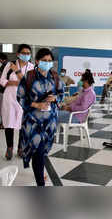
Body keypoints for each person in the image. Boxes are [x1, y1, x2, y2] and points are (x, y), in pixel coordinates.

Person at [17, 48, 64, 186]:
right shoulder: (29, 77)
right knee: (37, 151)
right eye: (44, 60)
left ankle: (39, 172)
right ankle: (40, 184)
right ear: (37, 61)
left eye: (49, 61)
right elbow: (20, 96)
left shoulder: (55, 77)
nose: (47, 63)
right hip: (32, 122)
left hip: (50, 122)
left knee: (42, 151)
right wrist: (35, 105)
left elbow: (61, 95)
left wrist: (55, 98)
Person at [1, 44, 35, 160]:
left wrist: (19, 75)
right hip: (9, 97)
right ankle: (9, 148)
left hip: (23, 98)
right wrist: (15, 83)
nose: (26, 55)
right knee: (8, 123)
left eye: (28, 53)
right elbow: (2, 80)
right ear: (18, 54)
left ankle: (21, 148)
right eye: (23, 53)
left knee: (22, 123)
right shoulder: (10, 65)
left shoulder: (31, 67)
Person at [0, 52, 8, 129]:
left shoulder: (5, 67)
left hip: (3, 91)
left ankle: (3, 124)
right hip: (3, 91)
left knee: (3, 108)